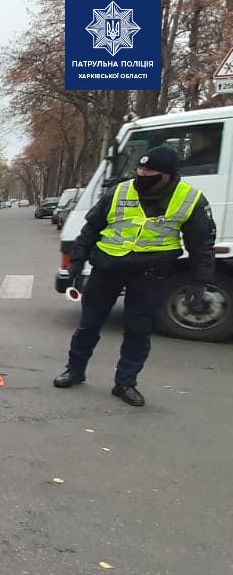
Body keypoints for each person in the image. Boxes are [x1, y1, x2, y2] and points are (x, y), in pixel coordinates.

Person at [53, 145, 217, 407]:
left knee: (138, 330)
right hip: (107, 269)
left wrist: (200, 281)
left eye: (149, 171)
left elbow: (201, 245)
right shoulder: (119, 191)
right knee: (89, 325)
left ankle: (125, 383)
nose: (142, 174)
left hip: (150, 272)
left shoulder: (189, 199)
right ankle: (74, 370)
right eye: (140, 169)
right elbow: (90, 229)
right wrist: (75, 264)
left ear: (167, 175)